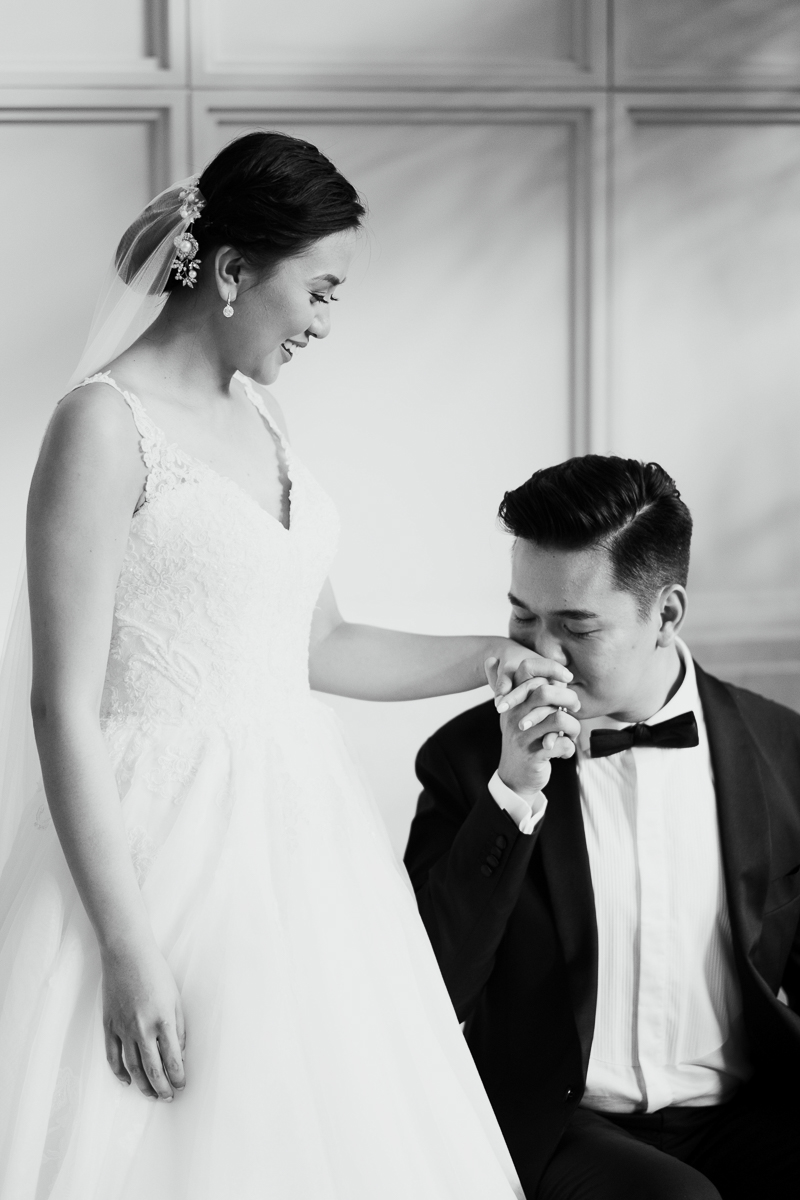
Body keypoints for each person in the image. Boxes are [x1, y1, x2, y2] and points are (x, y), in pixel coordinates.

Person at [0, 131, 572, 1198]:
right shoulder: (101, 428)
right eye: (320, 290)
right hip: (154, 853)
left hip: (302, 843)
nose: (323, 322)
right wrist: (125, 948)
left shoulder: (263, 415)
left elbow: (317, 646)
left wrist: (493, 655)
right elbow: (60, 708)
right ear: (230, 271)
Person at [404, 455, 800, 1200]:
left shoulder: (782, 752)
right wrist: (513, 794)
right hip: (562, 1127)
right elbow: (431, 990)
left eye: (576, 627)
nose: (540, 655)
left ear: (666, 615)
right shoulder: (465, 761)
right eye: (523, 617)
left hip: (746, 1112)